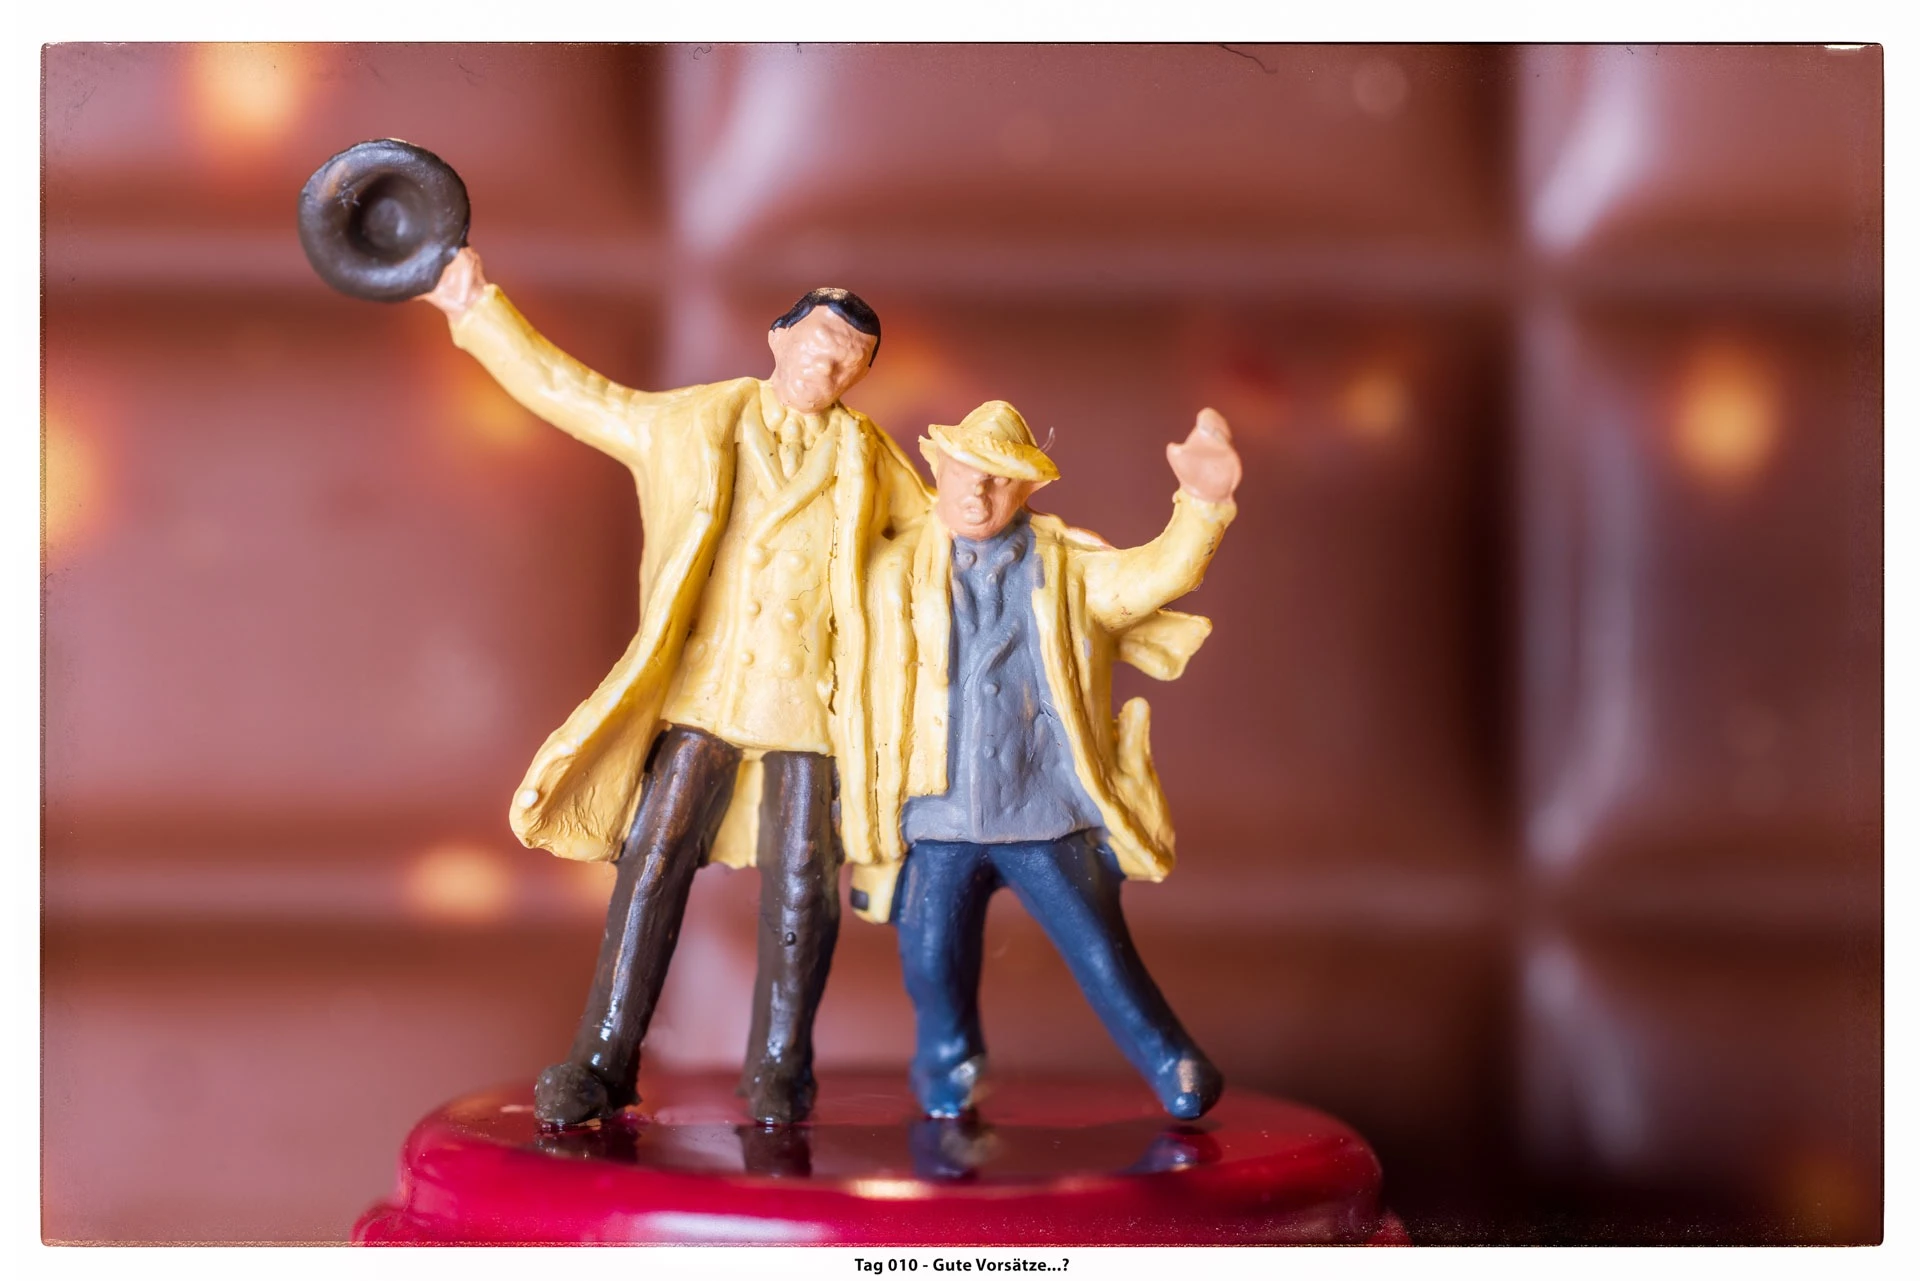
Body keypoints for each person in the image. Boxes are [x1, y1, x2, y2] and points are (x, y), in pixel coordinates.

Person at [419, 249, 929, 1126]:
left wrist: (1055, 566)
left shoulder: (870, 457)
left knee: (805, 883)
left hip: (807, 708)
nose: (827, 369)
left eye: (848, 363)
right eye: (818, 347)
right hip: (706, 693)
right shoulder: (694, 422)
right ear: (778, 339)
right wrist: (475, 307)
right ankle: (603, 1056)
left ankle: (781, 1068)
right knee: (651, 863)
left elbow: (944, 541)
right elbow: (576, 395)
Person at [850, 399, 1242, 1120]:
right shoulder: (890, 570)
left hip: (1043, 815)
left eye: (999, 479)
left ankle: (1171, 1059)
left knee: (1100, 950)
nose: (978, 492)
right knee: (932, 960)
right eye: (964, 472)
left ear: (1028, 488)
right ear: (936, 468)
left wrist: (1203, 503)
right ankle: (948, 1070)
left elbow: (1155, 576)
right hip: (936, 818)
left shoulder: (1067, 568)